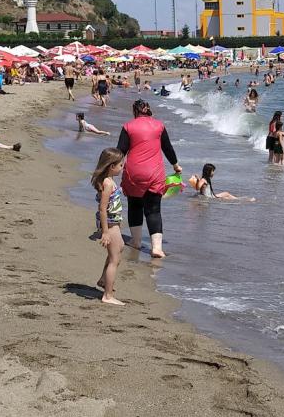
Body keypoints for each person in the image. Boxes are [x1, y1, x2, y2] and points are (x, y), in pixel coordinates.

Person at [116, 99, 181, 258]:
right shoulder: (159, 126)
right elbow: (167, 148)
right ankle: (157, 248)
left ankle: (136, 241)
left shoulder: (128, 126)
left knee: (135, 206)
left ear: (135, 111)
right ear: (148, 110)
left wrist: (111, 169)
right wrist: (175, 165)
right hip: (155, 173)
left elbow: (120, 151)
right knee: (153, 210)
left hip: (134, 173)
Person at [91, 147, 127, 306]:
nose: (122, 168)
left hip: (114, 223)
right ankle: (107, 295)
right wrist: (105, 232)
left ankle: (103, 279)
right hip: (109, 225)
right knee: (114, 259)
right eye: (120, 165)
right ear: (111, 166)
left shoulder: (110, 181)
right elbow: (102, 208)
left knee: (120, 248)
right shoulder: (107, 183)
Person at [188, 163, 254, 201]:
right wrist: (198, 180)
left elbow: (200, 186)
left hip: (210, 196)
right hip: (209, 197)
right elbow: (197, 188)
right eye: (212, 171)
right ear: (208, 172)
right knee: (226, 197)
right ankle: (240, 200)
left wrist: (198, 179)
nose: (213, 173)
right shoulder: (203, 180)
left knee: (226, 193)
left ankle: (238, 199)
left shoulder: (204, 179)